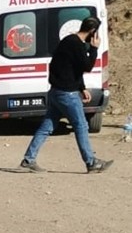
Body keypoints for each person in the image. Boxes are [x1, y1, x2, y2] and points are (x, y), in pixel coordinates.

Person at [20, 16, 112, 174]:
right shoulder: (77, 45)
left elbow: (74, 69)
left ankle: (29, 159)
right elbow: (87, 66)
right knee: (81, 126)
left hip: (56, 91)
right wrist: (95, 48)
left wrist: (82, 88)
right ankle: (91, 162)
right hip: (67, 93)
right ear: (92, 31)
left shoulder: (68, 41)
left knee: (46, 127)